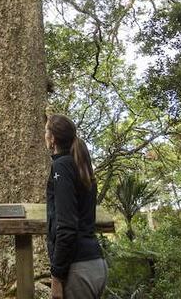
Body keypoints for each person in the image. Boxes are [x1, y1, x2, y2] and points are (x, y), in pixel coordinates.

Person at [45, 114, 107, 299]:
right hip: (95, 263)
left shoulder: (62, 167)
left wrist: (56, 276)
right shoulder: (80, 166)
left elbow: (66, 226)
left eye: (46, 130)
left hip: (78, 269)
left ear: (52, 139)